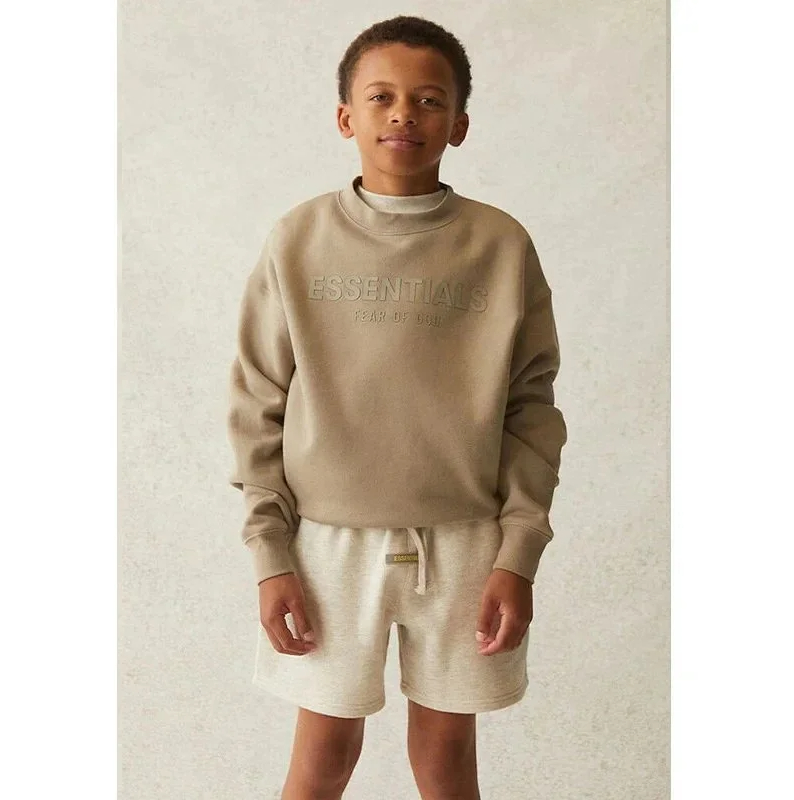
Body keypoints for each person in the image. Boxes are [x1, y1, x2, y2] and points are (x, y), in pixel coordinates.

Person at [226, 15, 568, 800]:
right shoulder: (297, 239)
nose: (404, 114)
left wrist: (518, 554)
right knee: (322, 759)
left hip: (468, 542)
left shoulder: (501, 245)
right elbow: (256, 402)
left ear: (460, 123)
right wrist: (270, 555)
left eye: (429, 99)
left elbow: (532, 410)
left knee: (447, 762)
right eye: (381, 97)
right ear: (346, 116)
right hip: (327, 546)